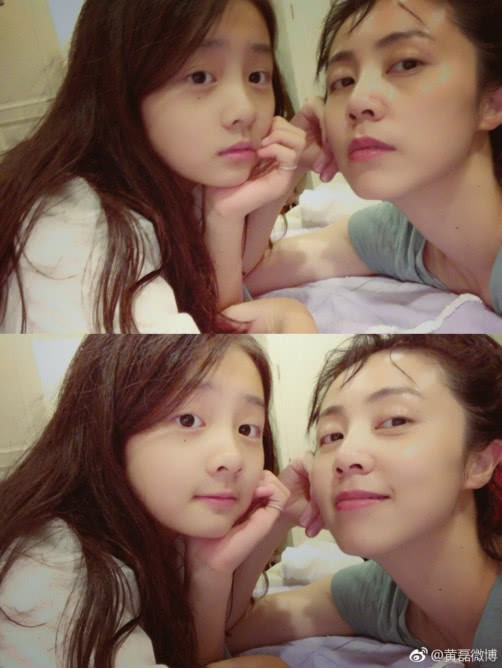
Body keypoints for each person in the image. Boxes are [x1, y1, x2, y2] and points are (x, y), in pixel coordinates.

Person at [0, 0, 316, 334]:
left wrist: (229, 214)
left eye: (256, 76)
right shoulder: (75, 238)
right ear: (121, 82)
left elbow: (221, 298)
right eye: (200, 76)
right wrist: (291, 319)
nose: (245, 110)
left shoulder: (174, 177)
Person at [0, 334, 292, 667]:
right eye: (188, 419)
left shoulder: (169, 532)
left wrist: (210, 572)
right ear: (108, 422)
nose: (233, 458)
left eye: (247, 429)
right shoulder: (52, 569)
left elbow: (194, 659)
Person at [224, 335, 502, 668]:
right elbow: (231, 629)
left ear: (480, 462)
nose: (345, 455)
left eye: (395, 420)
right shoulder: (385, 597)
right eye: (332, 435)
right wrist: (278, 514)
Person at [245, 0, 502, 317]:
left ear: (492, 101)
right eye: (343, 81)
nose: (357, 101)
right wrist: (289, 165)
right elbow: (246, 272)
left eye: (407, 64)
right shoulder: (403, 238)